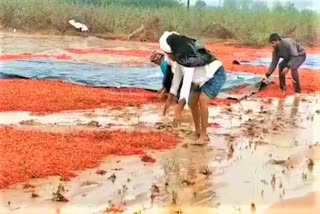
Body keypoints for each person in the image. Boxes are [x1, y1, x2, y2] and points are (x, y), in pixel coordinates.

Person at [159, 31, 226, 145]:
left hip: (215, 74)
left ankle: (203, 136)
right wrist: (168, 100)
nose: (168, 57)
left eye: (168, 54)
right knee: (192, 102)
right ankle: (197, 131)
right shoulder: (181, 60)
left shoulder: (189, 60)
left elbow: (186, 83)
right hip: (200, 80)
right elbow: (176, 79)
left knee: (202, 100)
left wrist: (179, 110)